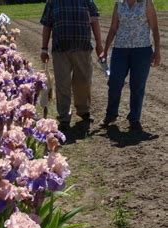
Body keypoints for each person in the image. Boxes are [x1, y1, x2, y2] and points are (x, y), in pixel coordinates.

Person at [40, 0, 103, 132]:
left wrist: (99, 43)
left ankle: (83, 110)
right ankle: (64, 117)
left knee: (84, 81)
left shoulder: (87, 1)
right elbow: (47, 25)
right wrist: (44, 49)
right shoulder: (52, 2)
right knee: (63, 84)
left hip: (82, 48)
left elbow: (95, 21)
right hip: (60, 50)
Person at [99, 0, 161, 131]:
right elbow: (113, 28)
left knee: (138, 85)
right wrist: (105, 49)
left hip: (142, 50)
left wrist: (157, 51)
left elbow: (154, 27)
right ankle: (110, 115)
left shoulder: (146, 3)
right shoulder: (119, 4)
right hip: (120, 49)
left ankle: (134, 119)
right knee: (114, 82)